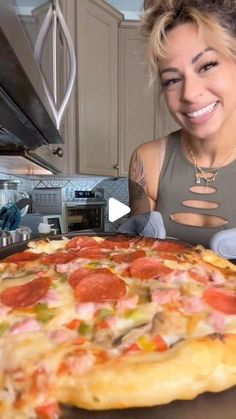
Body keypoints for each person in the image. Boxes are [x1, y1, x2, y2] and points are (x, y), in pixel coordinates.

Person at [120, 0, 236, 258]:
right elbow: (138, 266)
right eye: (173, 80)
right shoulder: (146, 161)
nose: (190, 94)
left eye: (206, 66)